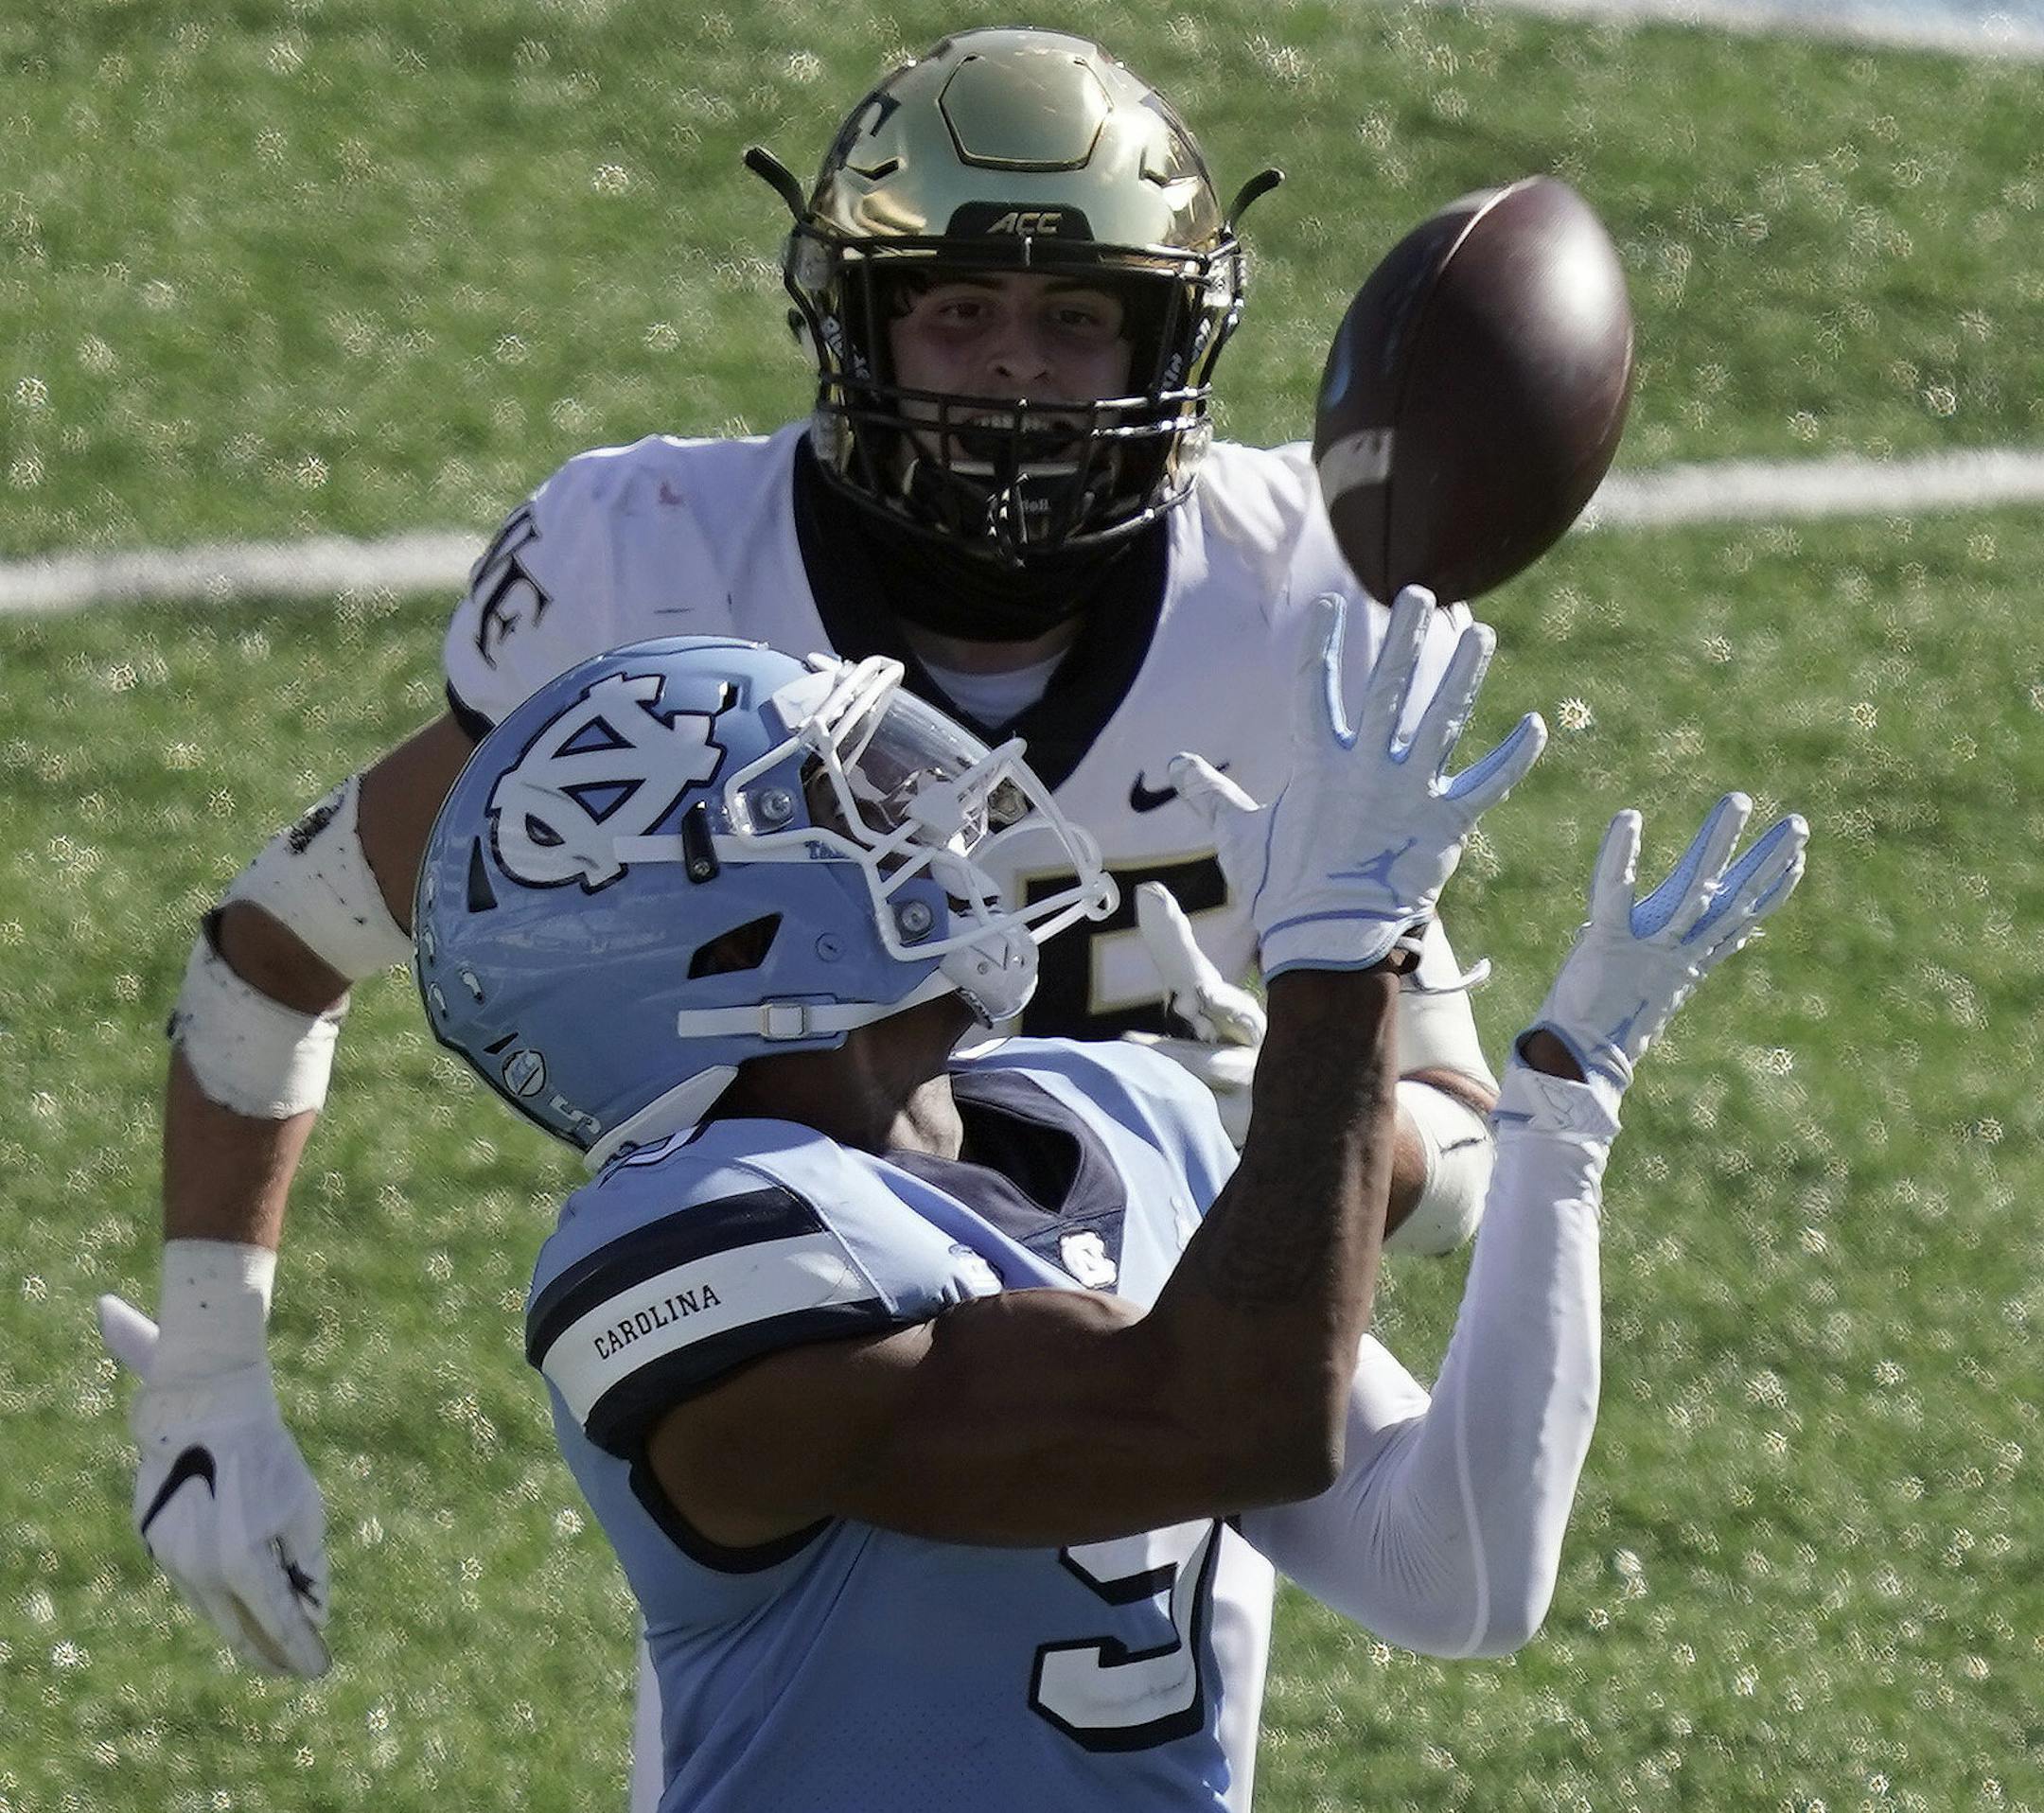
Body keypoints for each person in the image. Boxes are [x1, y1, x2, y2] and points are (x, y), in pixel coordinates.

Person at [101, 24, 1539, 1793]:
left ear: (1172, 340)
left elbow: (1458, 1139)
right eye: (960, 314)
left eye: (1078, 320)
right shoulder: (650, 569)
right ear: (857, 326)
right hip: (795, 1308)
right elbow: (276, 949)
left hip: (1162, 1294)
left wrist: (1261, 1126)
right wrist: (211, 1371)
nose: (1017, 379)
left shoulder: (1297, 589)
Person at [404, 599, 1803, 1810]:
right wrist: (1335, 968)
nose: (924, 809)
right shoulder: (693, 1248)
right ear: (723, 939)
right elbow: (1231, 1413)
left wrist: (1563, 1116)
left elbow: (1454, 1575)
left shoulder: (1104, 1105)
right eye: (839, 803)